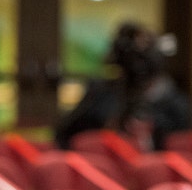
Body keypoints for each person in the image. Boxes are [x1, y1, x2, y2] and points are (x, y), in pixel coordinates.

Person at [55, 22, 191, 151]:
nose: (136, 66)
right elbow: (64, 136)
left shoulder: (175, 105)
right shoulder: (102, 95)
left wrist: (149, 136)